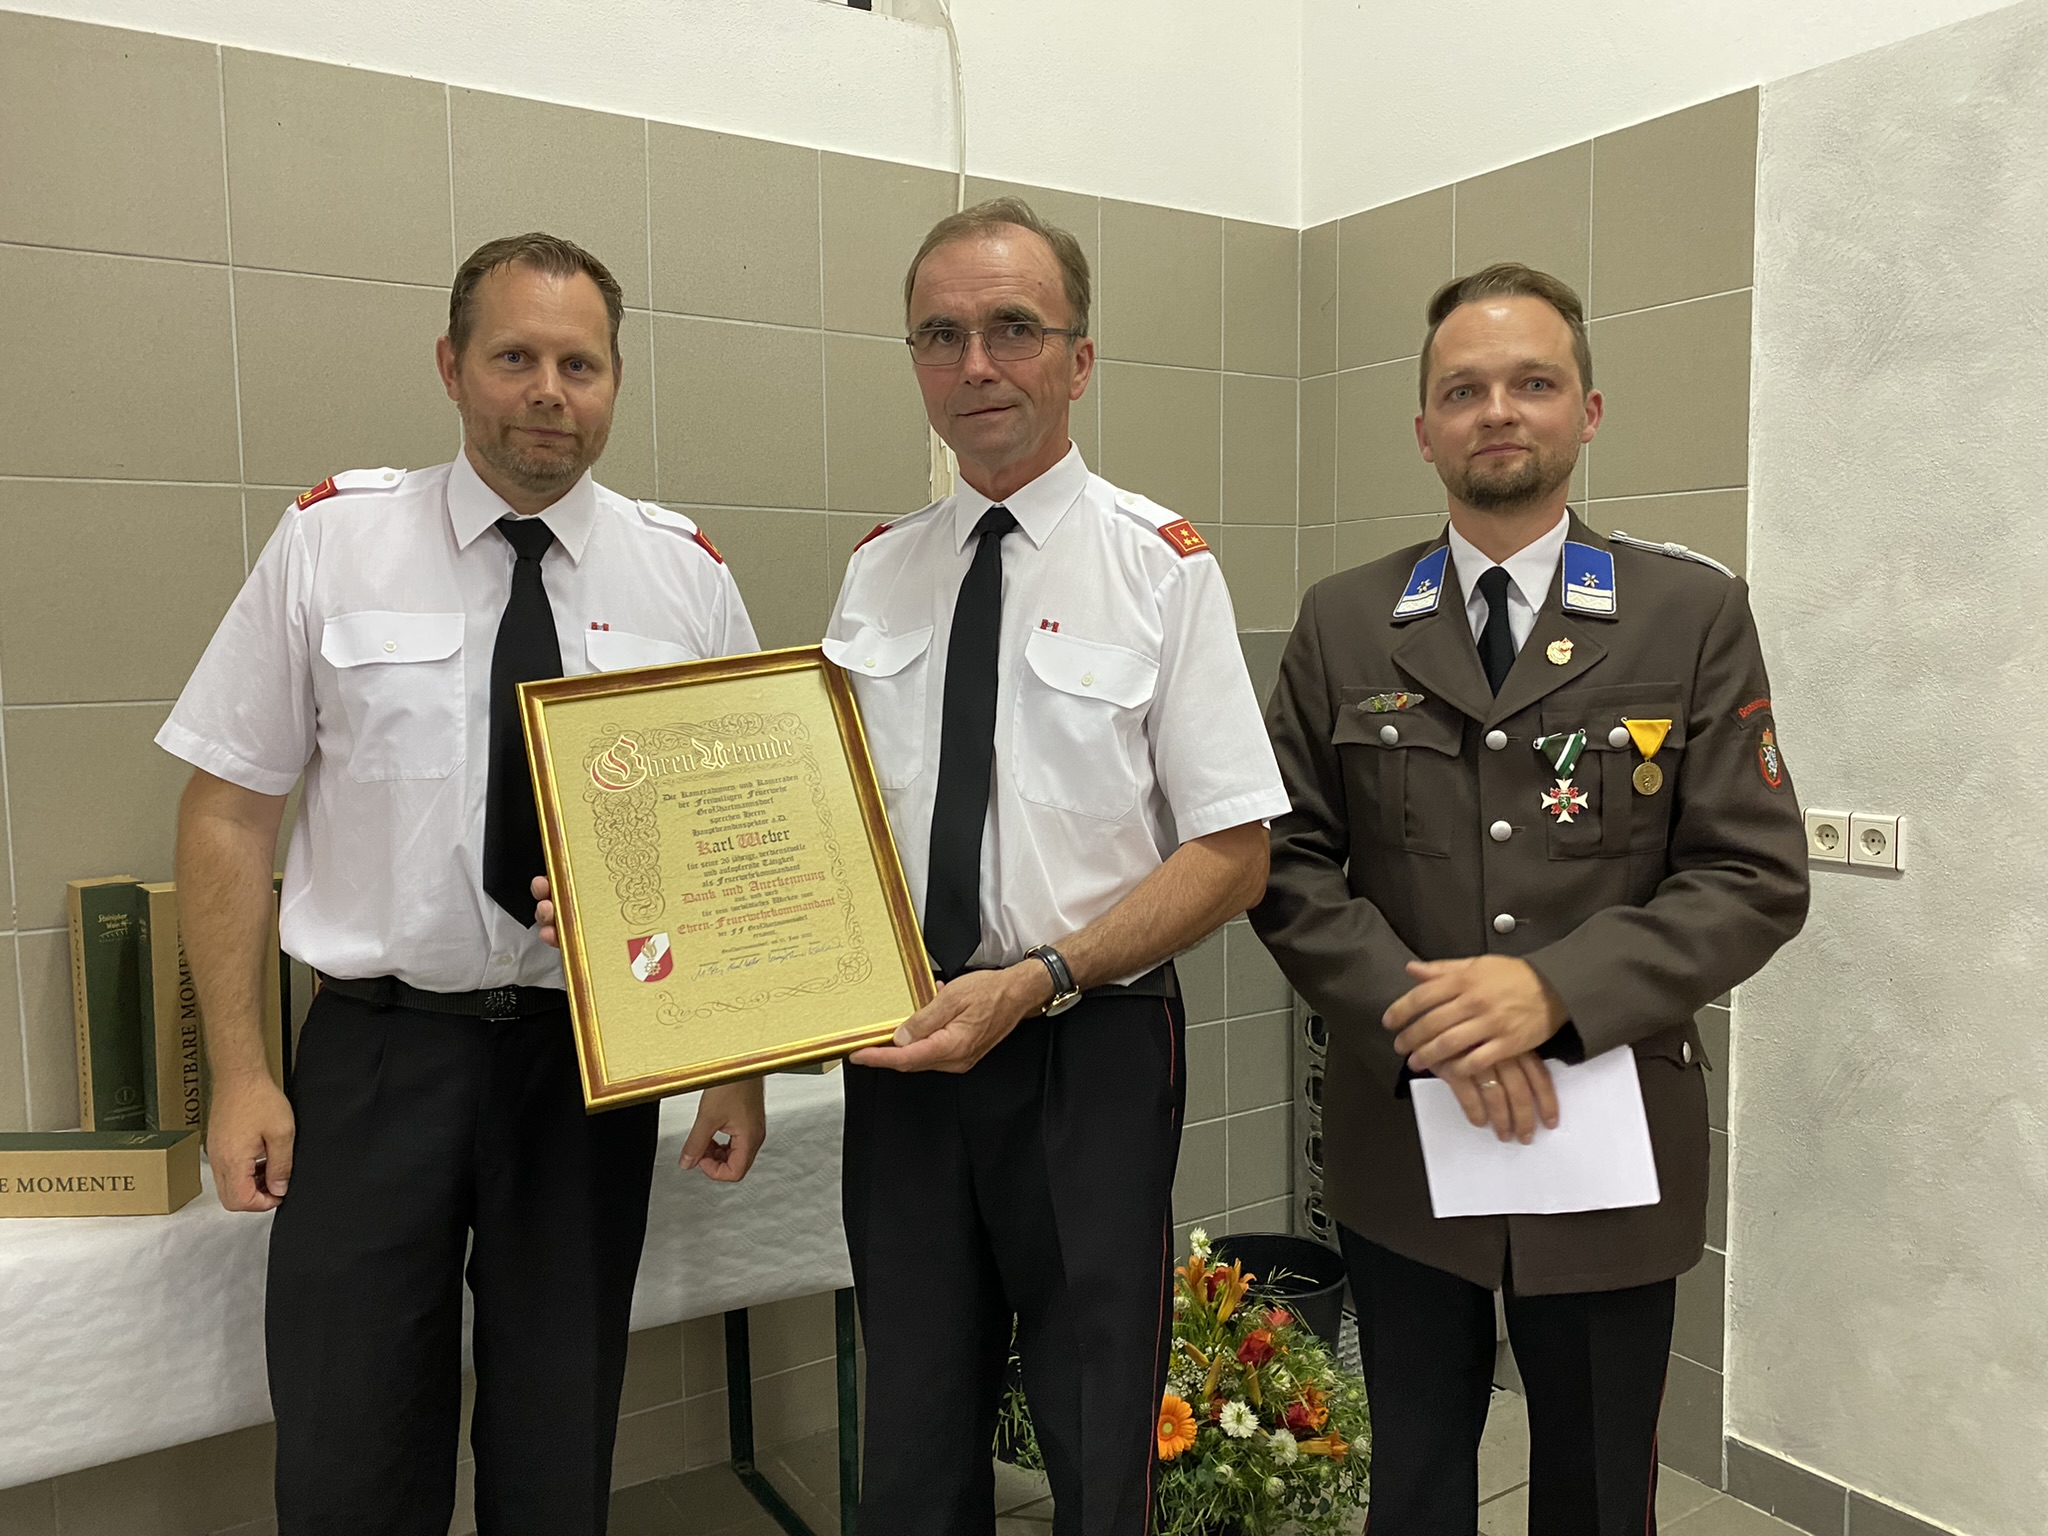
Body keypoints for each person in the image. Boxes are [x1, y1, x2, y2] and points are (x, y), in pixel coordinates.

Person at [160, 233, 766, 1536]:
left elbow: (732, 847)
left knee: (557, 1452)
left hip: (586, 1064)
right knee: (352, 1449)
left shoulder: (685, 577)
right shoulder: (335, 542)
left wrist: (736, 1064)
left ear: (614, 383)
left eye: (580, 365)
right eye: (514, 357)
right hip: (379, 1060)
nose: (548, 391)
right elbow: (227, 811)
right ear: (451, 366)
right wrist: (243, 1073)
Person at [1251, 263, 1809, 1534]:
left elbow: (1753, 873)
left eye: (1532, 383)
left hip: (1606, 1132)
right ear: (1423, 429)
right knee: (1413, 1484)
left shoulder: (1687, 613)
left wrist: (1551, 992)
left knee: (1597, 1494)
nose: (1496, 410)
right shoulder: (1344, 622)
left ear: (1586, 412)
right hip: (1406, 1130)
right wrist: (1429, 1018)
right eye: (1463, 390)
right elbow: (1283, 859)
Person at [832, 197, 1289, 1534]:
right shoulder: (876, 574)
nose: (975, 363)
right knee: (912, 1422)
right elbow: (820, 832)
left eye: (1012, 329)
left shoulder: (1161, 568)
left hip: (1085, 1047)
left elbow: (1234, 856)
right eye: (941, 335)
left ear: (1078, 359)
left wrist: (1038, 977)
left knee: (1096, 1421)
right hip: (907, 1046)